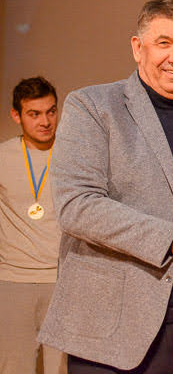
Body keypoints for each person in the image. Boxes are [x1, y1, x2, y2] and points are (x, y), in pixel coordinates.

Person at [37, 0, 173, 374]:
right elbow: (77, 205)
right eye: (164, 42)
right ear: (138, 48)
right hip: (114, 336)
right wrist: (172, 239)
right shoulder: (92, 106)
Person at [0, 77, 66, 374]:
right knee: (14, 367)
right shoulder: (3, 157)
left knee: (61, 369)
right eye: (34, 114)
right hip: (12, 282)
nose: (45, 121)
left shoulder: (72, 155)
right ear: (16, 115)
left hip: (62, 280)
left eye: (51, 112)